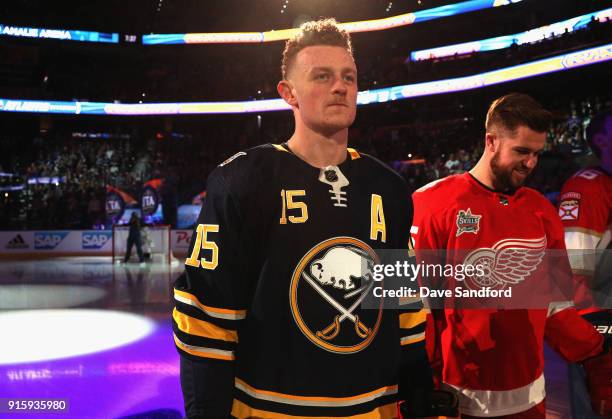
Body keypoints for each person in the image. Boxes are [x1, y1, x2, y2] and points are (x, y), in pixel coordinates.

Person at [173, 19, 440, 418]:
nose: (340, 86)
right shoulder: (240, 180)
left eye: (349, 77)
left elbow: (401, 306)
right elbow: (207, 323)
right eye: (322, 76)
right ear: (288, 93)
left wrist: (419, 391)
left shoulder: (390, 188)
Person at [411, 93, 610, 418]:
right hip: (458, 397)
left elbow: (556, 304)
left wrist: (597, 346)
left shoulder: (541, 210)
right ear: (491, 141)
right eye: (521, 151)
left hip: (530, 396)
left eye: (536, 153)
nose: (530, 163)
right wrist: (421, 384)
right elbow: (417, 307)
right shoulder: (431, 203)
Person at [558, 108, 612, 417]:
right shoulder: (587, 186)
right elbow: (572, 276)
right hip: (601, 340)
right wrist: (595, 340)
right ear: (601, 141)